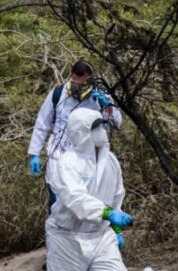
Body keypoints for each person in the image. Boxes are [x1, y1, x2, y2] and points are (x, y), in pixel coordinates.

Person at [42, 108, 143, 271]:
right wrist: (107, 213)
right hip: (67, 237)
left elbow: (117, 194)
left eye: (101, 125)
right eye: (95, 126)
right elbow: (75, 199)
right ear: (81, 132)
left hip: (101, 234)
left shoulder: (111, 162)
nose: (101, 131)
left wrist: (116, 227)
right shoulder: (66, 163)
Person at [28, 60, 123, 208]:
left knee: (84, 209)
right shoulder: (58, 94)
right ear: (71, 76)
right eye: (76, 82)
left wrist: (107, 107)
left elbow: (115, 124)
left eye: (83, 84)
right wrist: (34, 153)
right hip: (58, 158)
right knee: (58, 208)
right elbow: (42, 123)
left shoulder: (99, 97)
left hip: (86, 163)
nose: (79, 88)